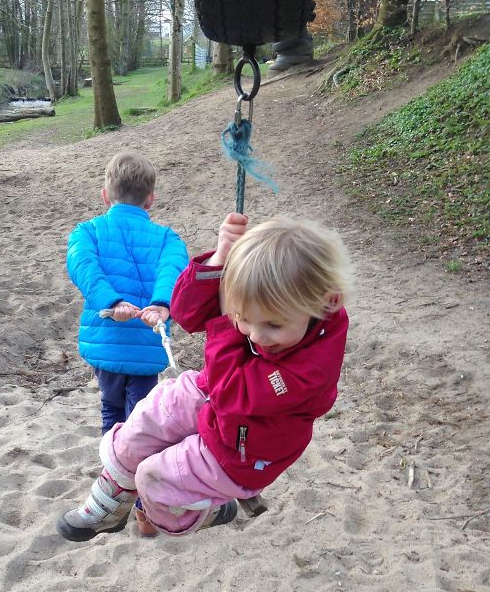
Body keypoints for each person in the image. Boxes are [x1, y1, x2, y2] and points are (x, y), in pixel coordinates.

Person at [57, 212, 351, 542]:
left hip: (241, 448)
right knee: (147, 418)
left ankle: (205, 511)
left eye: (273, 325)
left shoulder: (312, 373)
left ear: (328, 302)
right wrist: (219, 259)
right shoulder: (273, 310)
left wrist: (228, 322)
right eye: (244, 318)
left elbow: (234, 396)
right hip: (212, 391)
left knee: (154, 478)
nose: (255, 335)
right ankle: (109, 504)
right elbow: (187, 315)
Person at [67, 151, 188, 435]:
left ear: (105, 196)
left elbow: (84, 268)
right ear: (150, 199)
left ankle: (115, 466)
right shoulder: (167, 237)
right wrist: (159, 305)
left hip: (106, 341)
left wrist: (112, 303)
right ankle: (126, 468)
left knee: (112, 407)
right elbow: (174, 271)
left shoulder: (88, 231)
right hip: (147, 341)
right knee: (138, 414)